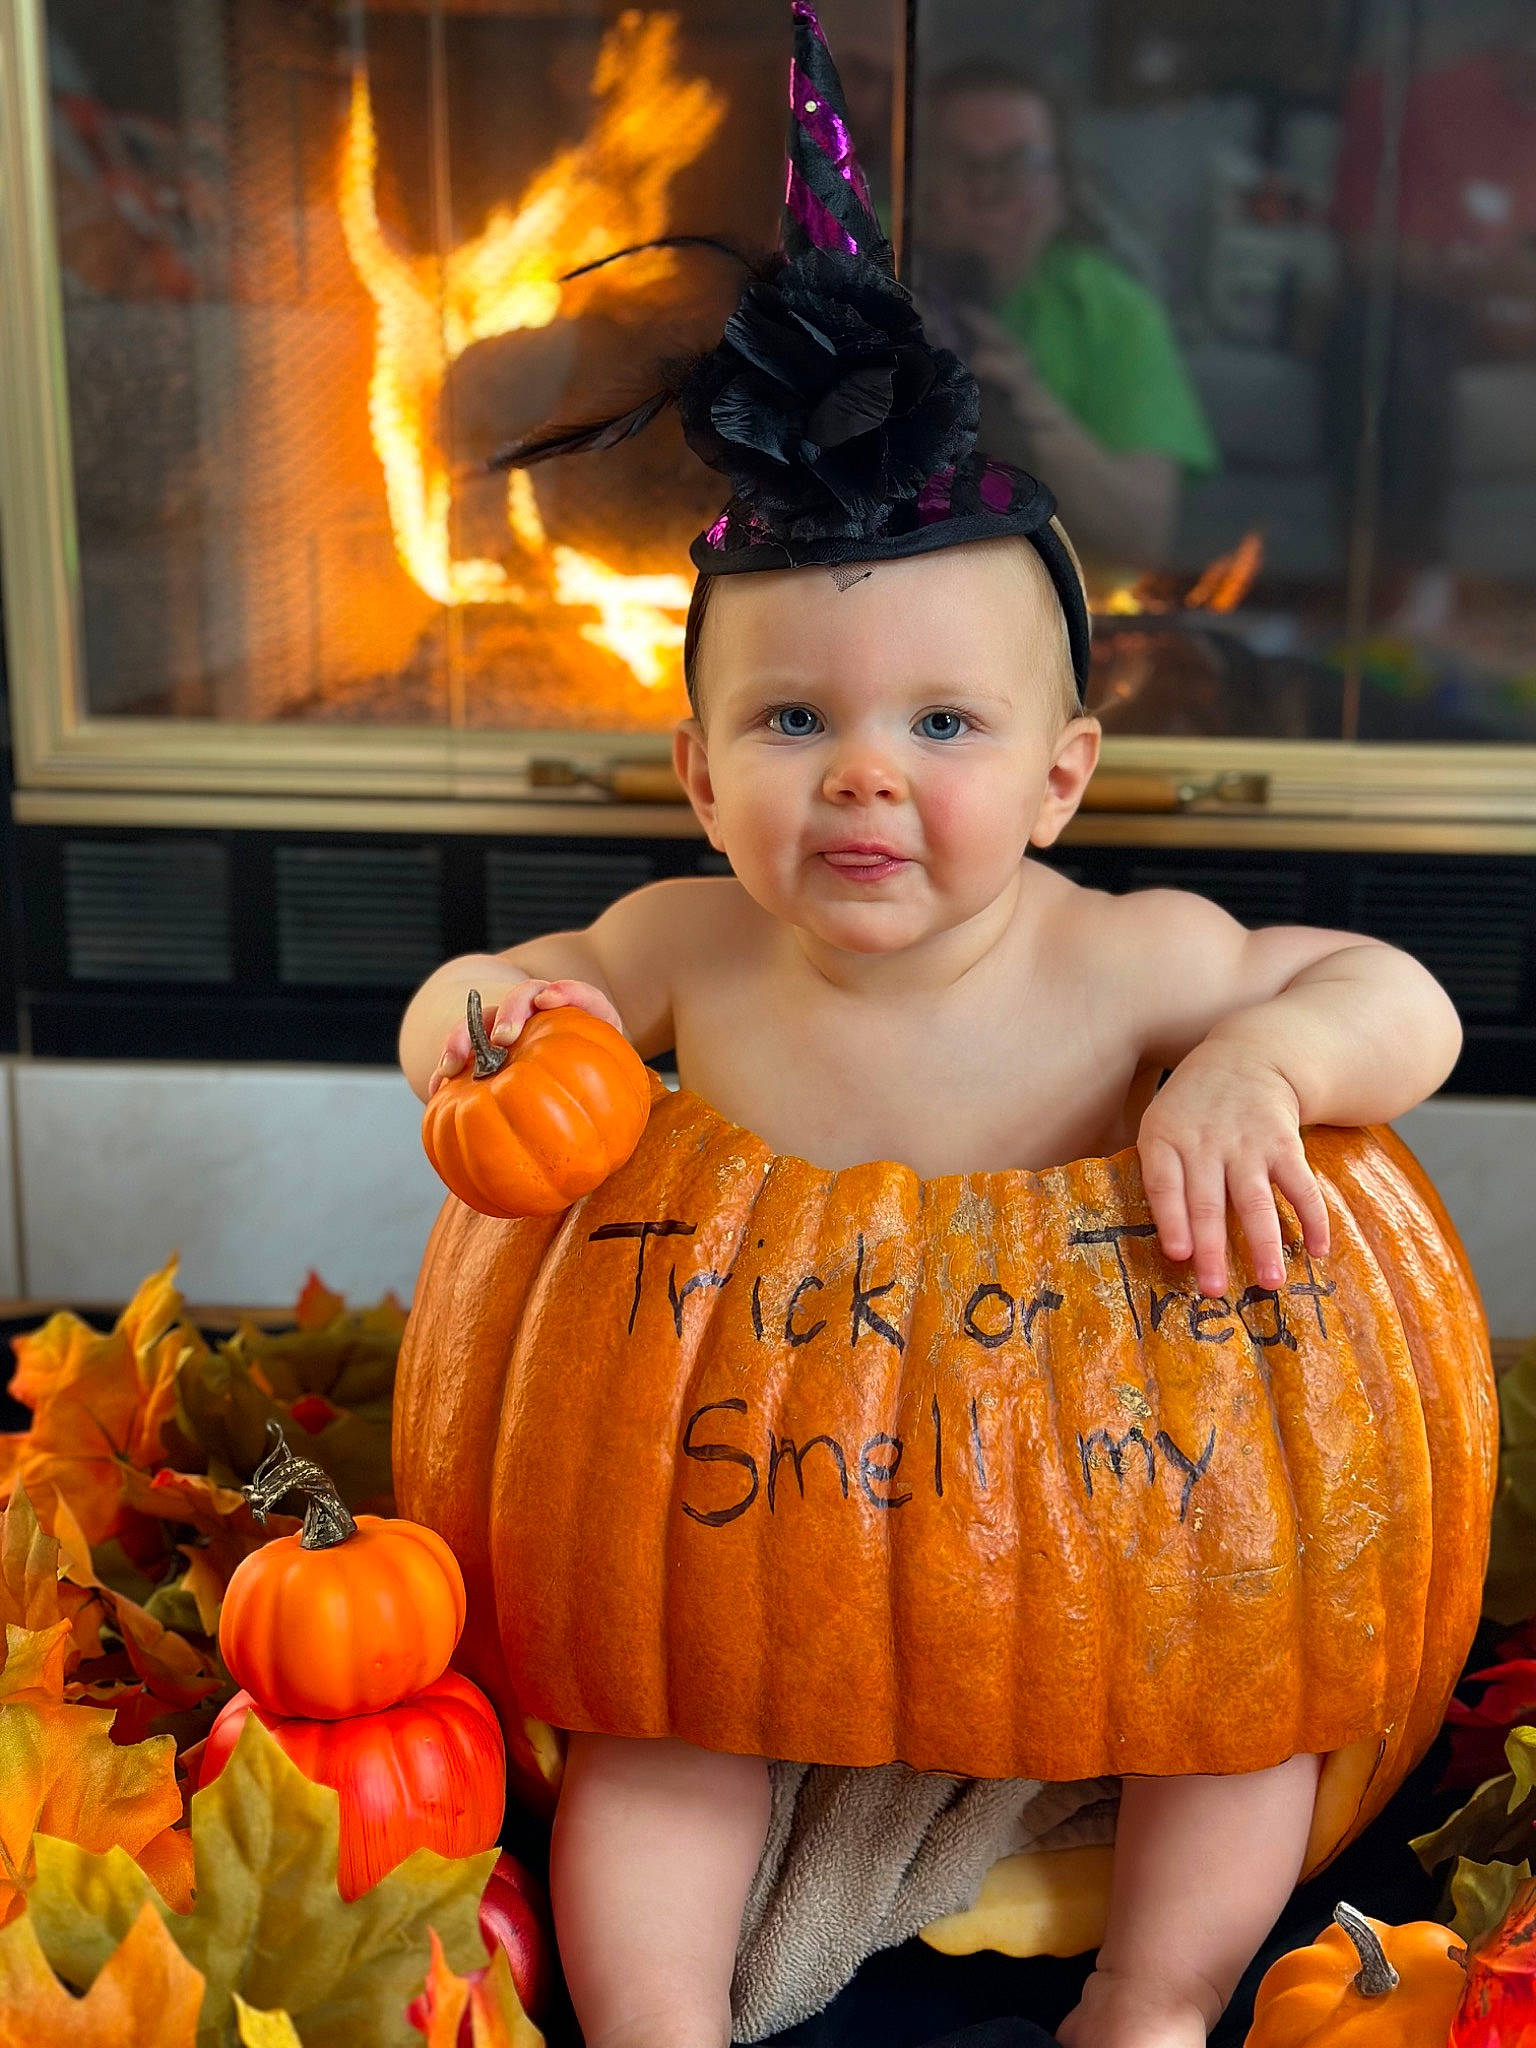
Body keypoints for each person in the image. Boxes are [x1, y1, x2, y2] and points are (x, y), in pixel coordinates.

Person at [398, 13, 1462, 2046]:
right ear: (704, 782)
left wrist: (1264, 1066)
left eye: (942, 726)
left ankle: (1149, 2003)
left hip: (1124, 1540)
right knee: (648, 1738)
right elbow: (500, 1002)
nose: (865, 780)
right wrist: (492, 1017)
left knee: (1252, 1702)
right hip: (743, 1539)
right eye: (794, 723)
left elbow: (1395, 997)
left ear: (1063, 774)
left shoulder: (1135, 957)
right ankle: (657, 2021)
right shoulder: (689, 949)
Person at [918, 60, 1217, 568]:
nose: (988, 192)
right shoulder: (861, 262)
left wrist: (1028, 404)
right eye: (961, 163)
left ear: (1061, 188)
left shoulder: (1114, 309)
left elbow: (1143, 534)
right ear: (916, 183)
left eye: (1017, 165)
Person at [1327, 19, 1536, 633]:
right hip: (1433, 314)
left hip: (1502, 323)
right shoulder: (1429, 105)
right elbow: (1369, 253)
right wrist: (1486, 277)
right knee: (1388, 333)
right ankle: (1409, 579)